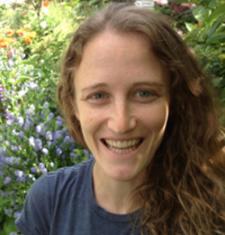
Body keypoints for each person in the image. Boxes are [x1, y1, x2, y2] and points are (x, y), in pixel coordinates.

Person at [16, 2, 225, 235]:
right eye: (98, 96)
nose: (121, 123)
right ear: (73, 104)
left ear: (175, 100)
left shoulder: (217, 206)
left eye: (144, 93)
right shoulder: (50, 203)